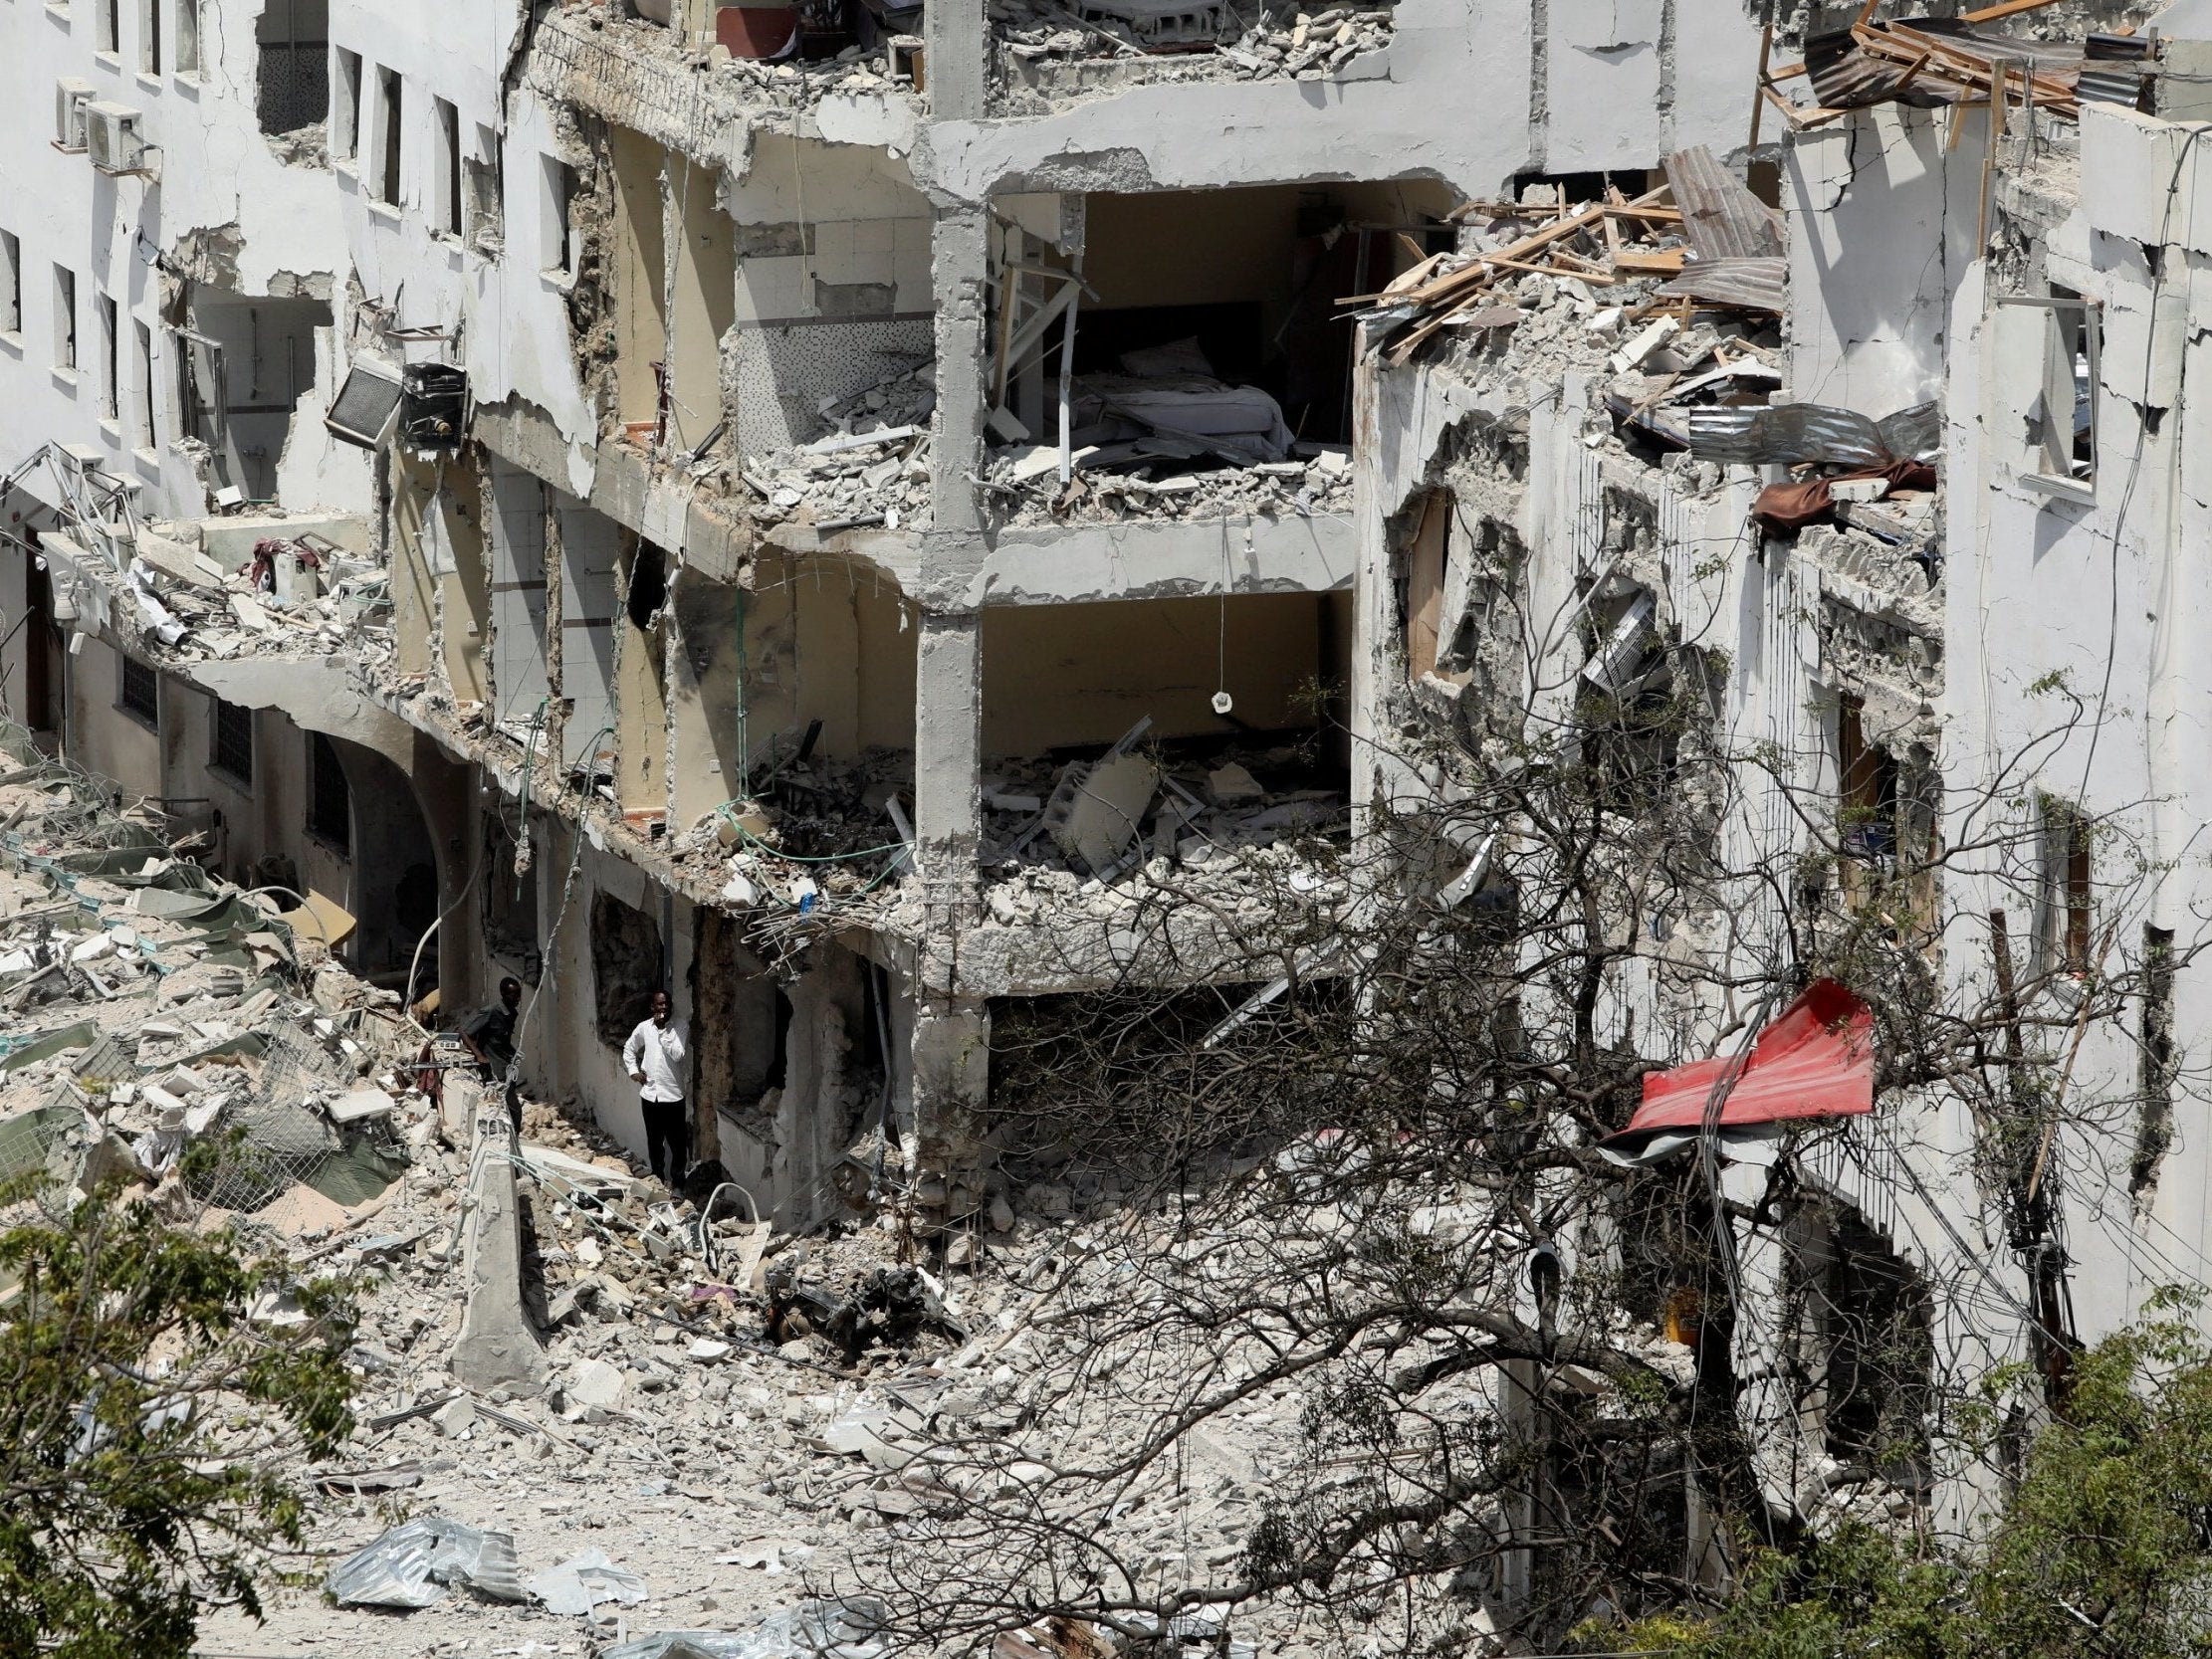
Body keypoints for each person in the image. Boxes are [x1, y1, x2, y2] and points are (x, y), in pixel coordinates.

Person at [622, 988, 690, 1190]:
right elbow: (629, 1048)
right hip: (650, 1095)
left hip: (673, 1096)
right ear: (653, 1007)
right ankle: (658, 1180)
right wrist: (634, 1071)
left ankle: (678, 1184)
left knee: (677, 1144)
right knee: (654, 1141)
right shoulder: (644, 1027)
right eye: (660, 1004)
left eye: (667, 1004)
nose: (664, 1008)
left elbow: (678, 1055)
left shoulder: (680, 1026)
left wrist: (664, 1032)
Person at [458, 976, 524, 1133]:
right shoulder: (491, 1012)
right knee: (514, 1110)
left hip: (506, 1064)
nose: (517, 999)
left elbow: (501, 1039)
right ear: (503, 993)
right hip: (494, 1068)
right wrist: (479, 1055)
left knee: (510, 1107)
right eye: (513, 995)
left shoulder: (511, 1013)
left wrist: (514, 1053)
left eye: (518, 995)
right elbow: (464, 1032)